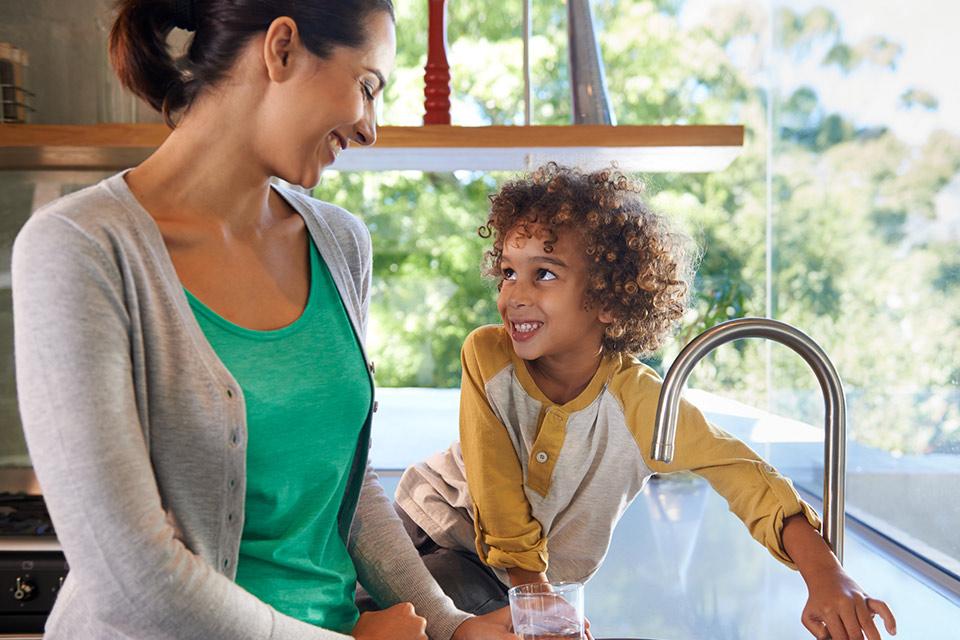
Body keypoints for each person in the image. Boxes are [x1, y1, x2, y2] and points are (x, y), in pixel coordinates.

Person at [12, 1, 514, 639]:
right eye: (366, 87)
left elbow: (345, 490)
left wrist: (447, 625)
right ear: (281, 49)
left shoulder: (339, 242)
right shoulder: (80, 247)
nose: (369, 129)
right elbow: (131, 577)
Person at [395, 163, 899, 640]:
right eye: (508, 271)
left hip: (530, 582)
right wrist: (535, 597)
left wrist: (824, 573)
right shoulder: (489, 355)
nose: (514, 294)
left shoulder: (639, 401)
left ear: (611, 301)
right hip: (439, 536)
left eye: (544, 274)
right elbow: (497, 493)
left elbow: (742, 472)